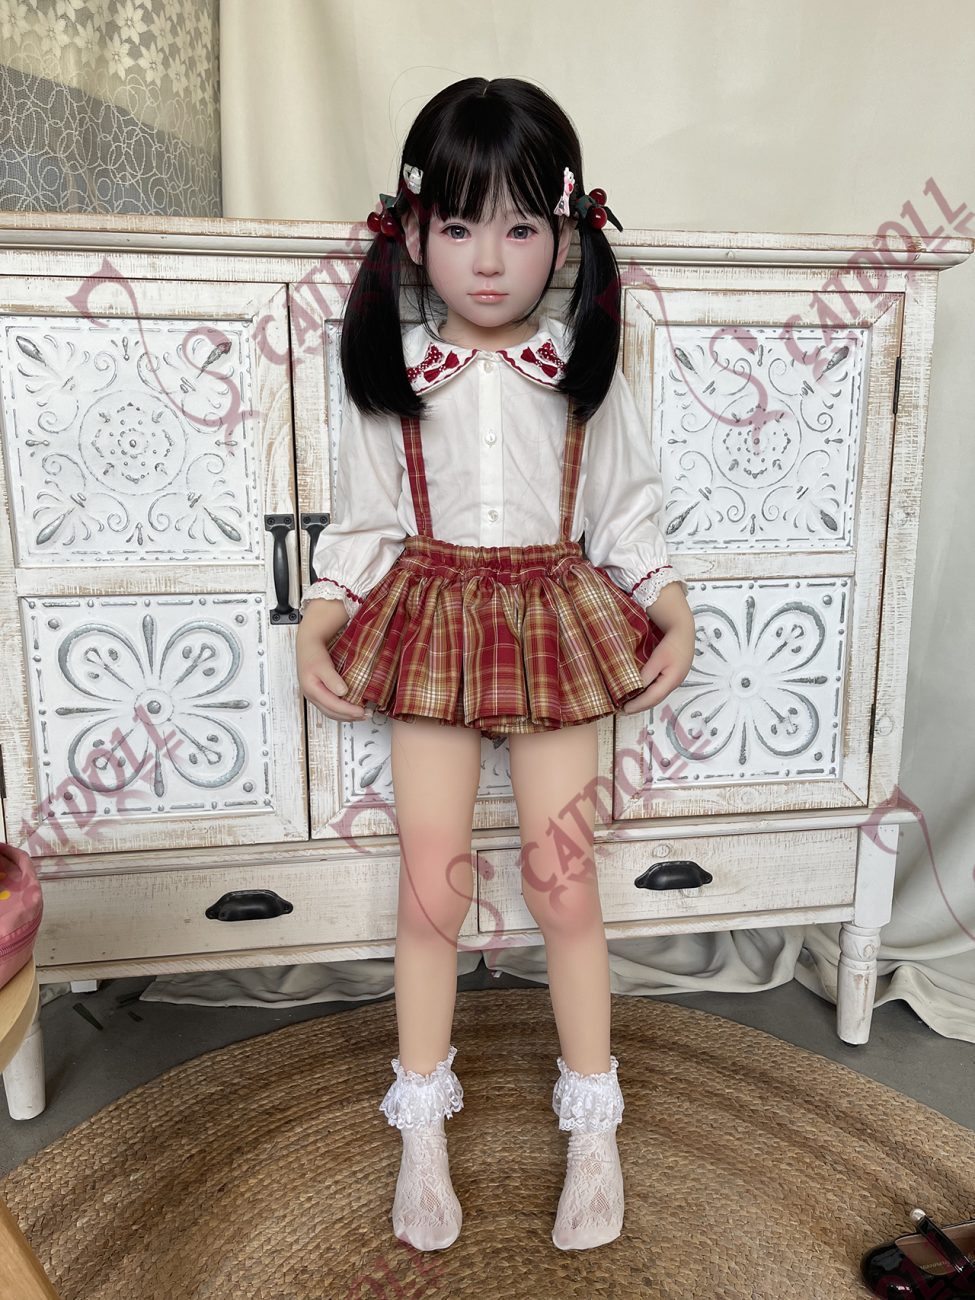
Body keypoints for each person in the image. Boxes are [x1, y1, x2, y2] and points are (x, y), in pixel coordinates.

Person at [295, 76, 695, 1254]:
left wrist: (672, 612)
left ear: (564, 235)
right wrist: (319, 620)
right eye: (460, 224)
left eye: (520, 227)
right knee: (433, 887)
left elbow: (626, 514)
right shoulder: (397, 377)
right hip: (430, 618)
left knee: (564, 882)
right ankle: (422, 1126)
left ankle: (594, 1123)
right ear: (414, 231)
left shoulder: (582, 373)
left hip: (554, 619)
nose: (487, 259)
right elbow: (366, 524)